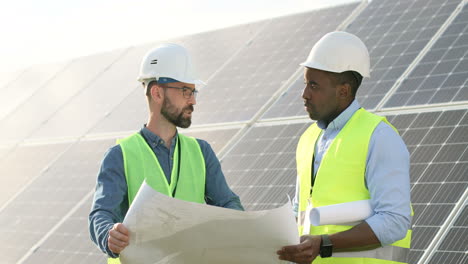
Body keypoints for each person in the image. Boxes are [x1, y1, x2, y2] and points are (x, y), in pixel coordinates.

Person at [88, 43, 244, 263]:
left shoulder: (202, 152)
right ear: (157, 92)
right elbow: (101, 214)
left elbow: (228, 203)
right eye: (185, 91)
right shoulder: (119, 155)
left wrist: (239, 223)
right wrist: (109, 234)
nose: (193, 100)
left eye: (193, 91)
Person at [277, 31, 412, 264]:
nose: (304, 94)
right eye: (305, 83)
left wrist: (325, 244)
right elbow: (301, 213)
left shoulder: (379, 137)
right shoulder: (308, 139)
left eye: (314, 85)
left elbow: (394, 221)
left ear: (343, 90)